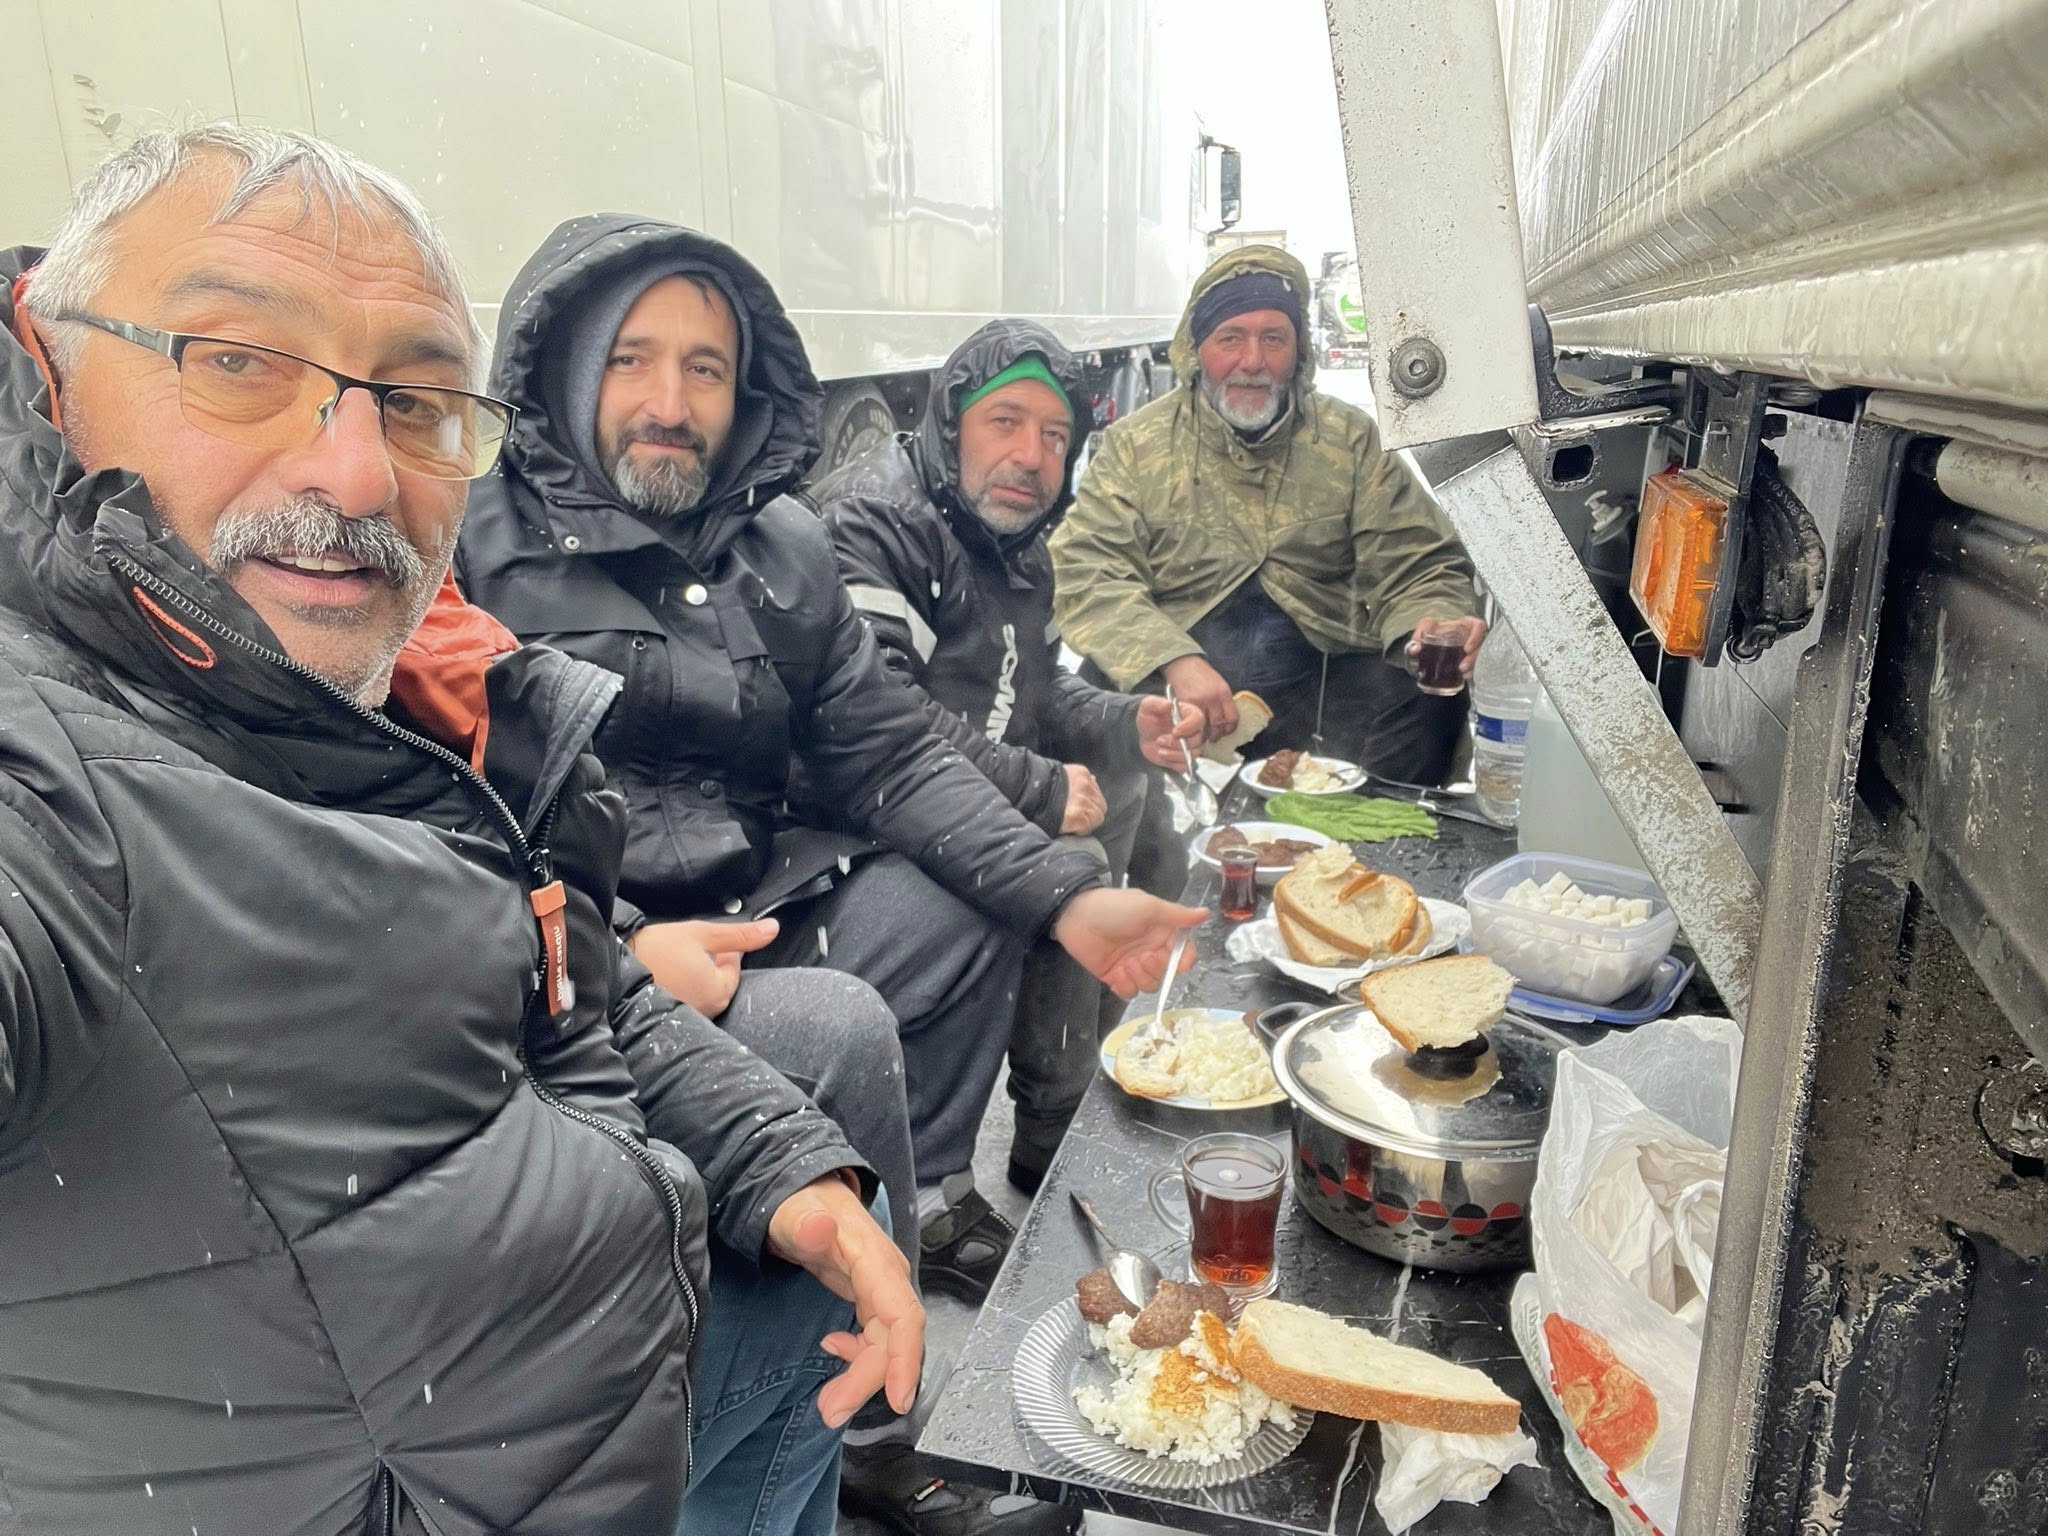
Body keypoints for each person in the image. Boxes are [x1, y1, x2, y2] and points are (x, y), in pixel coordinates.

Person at [0, 125, 918, 1536]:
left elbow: (541, 938)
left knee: (835, 1152)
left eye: (418, 400)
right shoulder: (54, 774)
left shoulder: (374, 676)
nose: (358, 474)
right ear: (46, 368)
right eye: (237, 360)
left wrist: (778, 1166)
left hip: (528, 1301)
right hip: (421, 1464)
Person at [453, 219, 1203, 1296]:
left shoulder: (782, 548)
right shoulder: (470, 555)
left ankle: (921, 1198)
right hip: (576, 962)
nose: (670, 404)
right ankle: (829, 1346)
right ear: (568, 371)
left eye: (704, 369)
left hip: (755, 906)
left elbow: (890, 752)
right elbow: (445, 827)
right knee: (840, 1028)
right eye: (630, 360)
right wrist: (621, 955)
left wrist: (1068, 897)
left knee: (976, 902)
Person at [810, 319, 1203, 1194]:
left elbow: (1034, 687)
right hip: (855, 813)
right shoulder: (876, 524)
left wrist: (1125, 721)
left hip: (951, 774)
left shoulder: (1016, 542)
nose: (1031, 456)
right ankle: (1052, 1123)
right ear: (951, 425)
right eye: (1005, 423)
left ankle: (1087, 1061)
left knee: (1128, 784)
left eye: (1056, 435)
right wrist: (1038, 786)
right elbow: (880, 718)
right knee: (1074, 855)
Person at [1050, 245, 1487, 784]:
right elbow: (1087, 571)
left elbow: (1418, 562)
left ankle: (1374, 825)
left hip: (1322, 685)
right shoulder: (1135, 447)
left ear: (1298, 352)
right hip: (1182, 688)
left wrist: (1433, 619)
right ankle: (1123, 833)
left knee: (1432, 694)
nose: (1253, 361)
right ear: (1197, 350)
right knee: (1096, 695)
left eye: (1273, 339)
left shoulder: (1348, 439)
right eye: (1230, 338)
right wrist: (1173, 658)